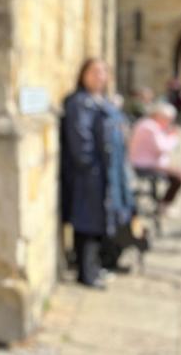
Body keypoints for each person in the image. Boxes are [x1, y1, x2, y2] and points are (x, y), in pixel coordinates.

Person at [60, 58, 133, 289]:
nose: (98, 76)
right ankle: (86, 272)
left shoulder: (103, 102)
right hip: (91, 173)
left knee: (101, 220)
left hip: (107, 171)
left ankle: (97, 266)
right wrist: (89, 165)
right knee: (87, 221)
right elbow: (81, 140)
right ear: (83, 74)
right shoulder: (80, 102)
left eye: (102, 72)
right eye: (93, 72)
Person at [128, 102, 181, 216]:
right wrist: (174, 136)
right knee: (180, 177)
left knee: (179, 174)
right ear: (159, 116)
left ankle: (163, 203)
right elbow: (162, 148)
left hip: (149, 163)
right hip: (144, 165)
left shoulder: (150, 125)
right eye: (168, 119)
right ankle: (164, 206)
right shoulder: (150, 127)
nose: (169, 122)